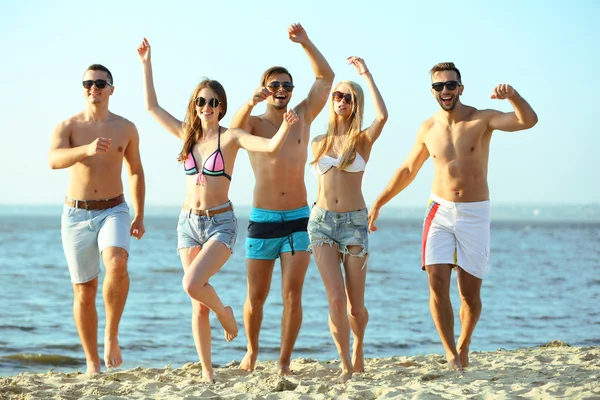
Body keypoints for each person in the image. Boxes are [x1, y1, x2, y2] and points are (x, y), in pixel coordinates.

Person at [137, 38, 298, 382]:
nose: (206, 107)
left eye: (212, 102)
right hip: (187, 224)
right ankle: (208, 372)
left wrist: (286, 123)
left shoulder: (232, 137)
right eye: (201, 101)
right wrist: (146, 63)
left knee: (192, 283)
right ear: (194, 105)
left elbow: (269, 146)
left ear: (221, 106)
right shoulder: (186, 135)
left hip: (220, 224)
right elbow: (151, 107)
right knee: (196, 301)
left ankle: (226, 314)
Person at [368, 62, 538, 371]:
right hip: (439, 211)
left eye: (450, 85)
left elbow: (528, 121)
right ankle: (451, 354)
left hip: (475, 213)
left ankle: (465, 343)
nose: (445, 91)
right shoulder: (427, 128)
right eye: (438, 86)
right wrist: (379, 202)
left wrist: (512, 95)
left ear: (460, 88)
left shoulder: (481, 119)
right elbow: (407, 170)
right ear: (432, 91)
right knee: (436, 282)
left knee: (469, 295)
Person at [229, 22, 334, 376]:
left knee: (293, 294)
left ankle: (285, 361)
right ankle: (252, 350)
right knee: (256, 297)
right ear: (265, 88)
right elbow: (233, 129)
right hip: (264, 218)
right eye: (275, 84)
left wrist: (305, 42)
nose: (282, 90)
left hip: (299, 218)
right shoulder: (256, 125)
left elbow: (326, 78)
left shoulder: (302, 116)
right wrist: (250, 99)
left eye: (287, 85)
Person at [48, 64, 146, 375]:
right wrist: (86, 149)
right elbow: (53, 160)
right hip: (76, 213)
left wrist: (140, 213)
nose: (94, 87)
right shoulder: (68, 126)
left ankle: (111, 336)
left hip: (113, 209)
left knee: (117, 263)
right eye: (89, 82)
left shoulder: (125, 127)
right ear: (83, 87)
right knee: (84, 289)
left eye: (101, 82)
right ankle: (92, 362)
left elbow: (135, 171)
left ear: (111, 89)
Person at [307, 56, 387, 383]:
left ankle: (359, 346)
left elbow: (383, 115)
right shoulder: (316, 142)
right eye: (338, 95)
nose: (341, 101)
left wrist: (365, 74)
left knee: (356, 306)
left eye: (348, 98)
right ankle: (344, 363)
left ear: (356, 105)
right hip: (321, 223)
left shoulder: (363, 140)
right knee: (336, 299)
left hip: (354, 223)